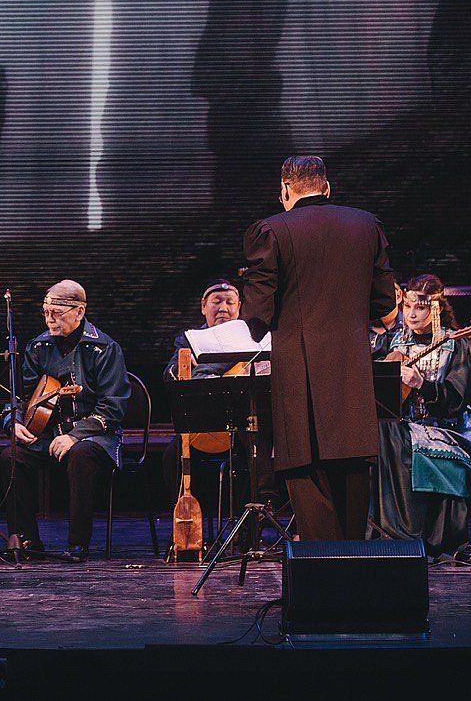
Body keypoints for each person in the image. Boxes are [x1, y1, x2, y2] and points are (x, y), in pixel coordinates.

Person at [242, 155, 398, 541]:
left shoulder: (270, 231)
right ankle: (352, 575)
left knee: (309, 488)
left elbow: (257, 315)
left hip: (300, 382)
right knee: (353, 485)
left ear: (284, 189)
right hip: (352, 379)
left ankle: (322, 574)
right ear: (327, 187)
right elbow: (384, 303)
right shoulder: (367, 225)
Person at [1, 280, 129, 562]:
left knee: (80, 455)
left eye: (56, 313)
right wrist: (15, 421)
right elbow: (19, 395)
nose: (49, 319)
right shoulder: (39, 346)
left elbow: (113, 407)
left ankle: (77, 544)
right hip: (48, 434)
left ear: (79, 312)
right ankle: (27, 540)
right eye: (46, 312)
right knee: (12, 455)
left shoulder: (104, 348)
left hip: (96, 436)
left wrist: (74, 435)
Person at [371, 275, 471, 559]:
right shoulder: (393, 342)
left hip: (448, 429)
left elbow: (457, 402)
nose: (411, 314)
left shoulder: (454, 345)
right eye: (408, 306)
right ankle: (385, 532)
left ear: (435, 310)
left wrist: (422, 384)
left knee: (391, 434)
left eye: (420, 308)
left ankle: (406, 533)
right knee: (380, 430)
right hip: (403, 428)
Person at [162, 279, 277, 526]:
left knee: (253, 446)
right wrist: (182, 367)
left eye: (229, 302)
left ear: (239, 307)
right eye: (216, 301)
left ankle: (252, 523)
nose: (223, 308)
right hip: (203, 427)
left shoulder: (253, 338)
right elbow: (171, 372)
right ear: (203, 306)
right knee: (173, 455)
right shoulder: (191, 340)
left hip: (243, 426)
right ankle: (185, 529)